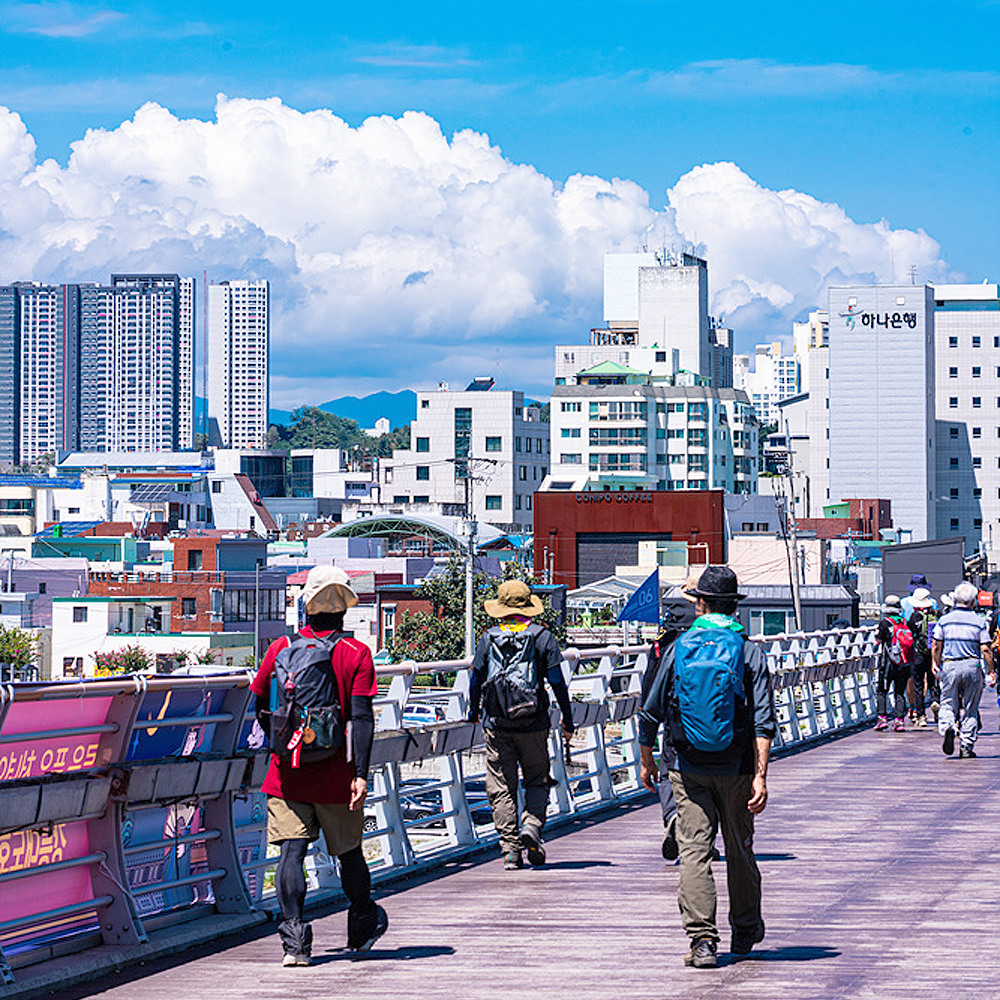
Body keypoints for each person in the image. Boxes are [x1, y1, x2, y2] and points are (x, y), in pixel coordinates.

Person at [638, 566, 776, 969]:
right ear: (735, 607)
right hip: (736, 766)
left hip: (686, 764)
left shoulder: (679, 647)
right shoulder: (748, 650)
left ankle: (702, 942)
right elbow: (764, 720)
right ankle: (746, 928)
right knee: (739, 848)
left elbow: (651, 712)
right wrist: (761, 775)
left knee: (694, 852)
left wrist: (648, 761)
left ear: (700, 603)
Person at [250, 566, 387, 966]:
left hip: (287, 773)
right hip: (337, 775)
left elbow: (260, 703)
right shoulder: (355, 653)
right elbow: (361, 718)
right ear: (345, 608)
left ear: (306, 605)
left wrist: (283, 743)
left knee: (290, 854)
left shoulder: (280, 648)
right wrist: (360, 774)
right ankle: (362, 926)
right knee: (350, 855)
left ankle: (295, 944)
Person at [468, 580, 574, 870]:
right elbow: (556, 681)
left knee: (501, 786)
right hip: (534, 721)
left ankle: (511, 851)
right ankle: (532, 826)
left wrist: (472, 711)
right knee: (537, 779)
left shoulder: (488, 638)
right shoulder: (542, 637)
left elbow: (476, 677)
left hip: (497, 723)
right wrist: (568, 717)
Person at [931, 581, 995, 759]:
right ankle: (966, 746)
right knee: (970, 707)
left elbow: (936, 645)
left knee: (947, 702)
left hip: (950, 664)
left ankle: (949, 727)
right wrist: (991, 671)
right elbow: (985, 649)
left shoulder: (944, 620)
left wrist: (936, 664)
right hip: (972, 665)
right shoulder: (979, 621)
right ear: (973, 601)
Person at [874, 595, 911, 732]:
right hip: (904, 662)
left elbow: (879, 640)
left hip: (888, 662)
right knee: (899, 692)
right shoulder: (904, 622)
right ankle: (899, 721)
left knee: (882, 690)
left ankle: (882, 719)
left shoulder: (884, 623)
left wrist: (877, 638)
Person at [906, 588, 938, 728]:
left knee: (918, 684)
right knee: (933, 681)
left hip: (918, 653)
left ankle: (921, 715)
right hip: (934, 653)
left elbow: (910, 634)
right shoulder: (937, 614)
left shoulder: (915, 616)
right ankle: (935, 700)